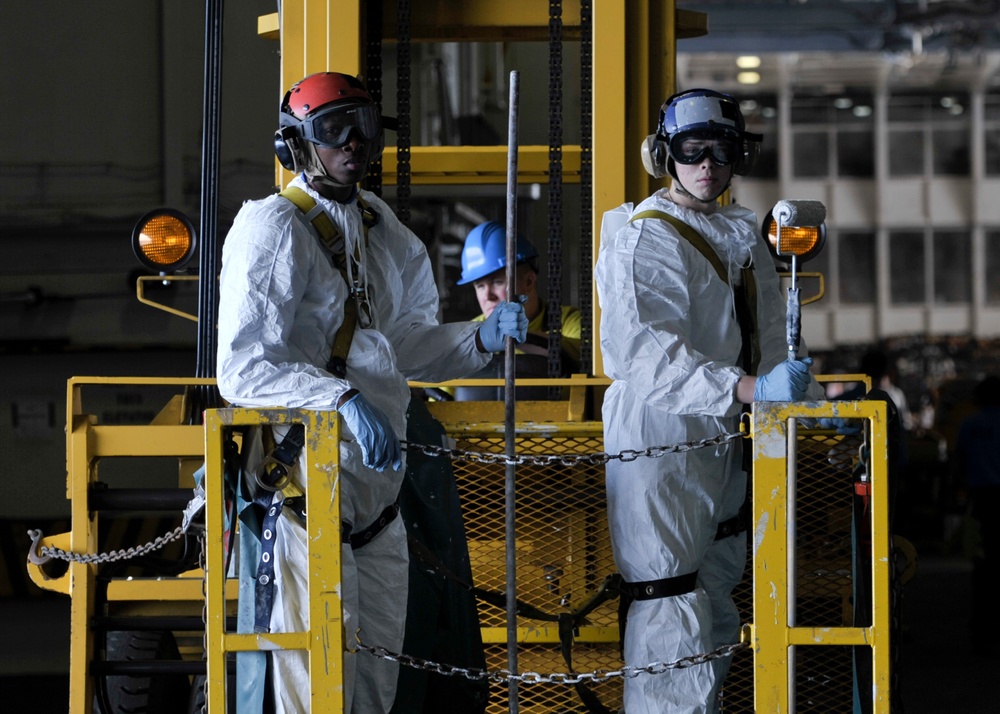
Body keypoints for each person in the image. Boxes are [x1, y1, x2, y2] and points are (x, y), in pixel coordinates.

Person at [216, 71, 527, 714]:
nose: (355, 143)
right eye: (335, 130)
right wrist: (342, 401)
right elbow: (243, 368)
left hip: (378, 506)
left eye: (364, 126)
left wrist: (480, 340)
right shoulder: (272, 229)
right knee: (317, 686)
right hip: (310, 493)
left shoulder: (382, 226)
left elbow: (404, 343)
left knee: (377, 690)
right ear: (296, 146)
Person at [594, 88, 822, 713]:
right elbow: (642, 355)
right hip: (662, 440)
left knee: (716, 600)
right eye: (692, 150)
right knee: (668, 600)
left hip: (729, 438)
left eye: (722, 151)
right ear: (663, 154)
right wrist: (748, 390)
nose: (707, 165)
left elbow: (770, 334)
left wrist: (806, 398)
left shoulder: (741, 235)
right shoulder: (645, 239)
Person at [952, 375, 1000, 656]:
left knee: (984, 566)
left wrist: (960, 493)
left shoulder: (970, 424)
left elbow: (959, 463)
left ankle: (983, 627)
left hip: (982, 502)